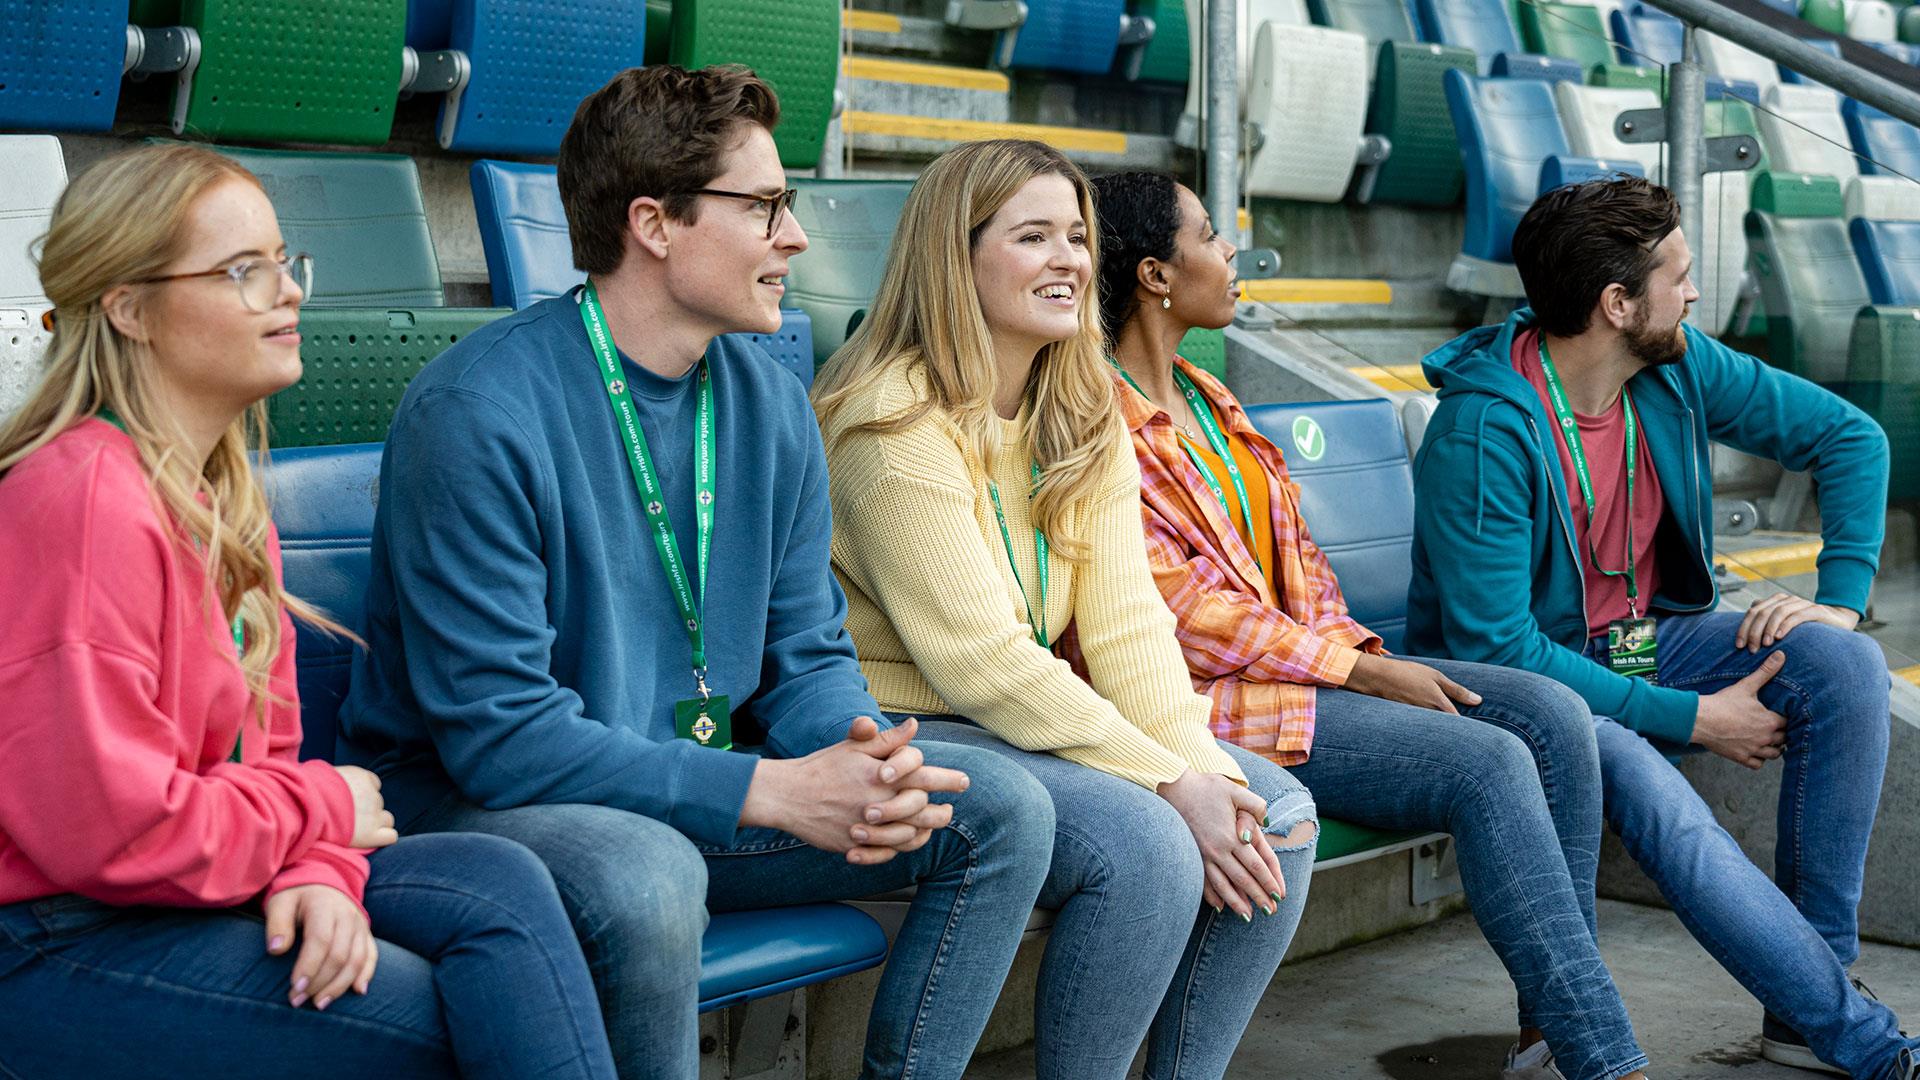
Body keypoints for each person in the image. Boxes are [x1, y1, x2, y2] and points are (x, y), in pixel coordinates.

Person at [336, 67, 1054, 1080]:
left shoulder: (768, 403)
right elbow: (501, 740)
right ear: (654, 223)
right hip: (477, 803)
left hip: (680, 785)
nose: (793, 237)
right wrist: (765, 789)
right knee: (648, 874)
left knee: (997, 811)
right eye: (762, 206)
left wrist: (866, 759)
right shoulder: (475, 411)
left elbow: (804, 654)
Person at [0, 143, 616, 1078]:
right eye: (243, 272)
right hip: (55, 935)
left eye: (286, 263)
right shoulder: (80, 500)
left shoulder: (226, 498)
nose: (288, 293)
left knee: (498, 883)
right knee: (464, 1020)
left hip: (188, 885)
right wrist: (323, 812)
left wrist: (315, 871)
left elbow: (269, 760)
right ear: (128, 307)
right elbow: (112, 829)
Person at [1087, 170, 1650, 1080]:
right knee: (1492, 758)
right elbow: (1175, 615)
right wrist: (1364, 672)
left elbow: (1303, 564)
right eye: (1210, 236)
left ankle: (1552, 1034)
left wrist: (1348, 653)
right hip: (1209, 703)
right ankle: (1605, 1061)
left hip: (1305, 674)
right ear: (1155, 273)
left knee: (1550, 714)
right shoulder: (1094, 417)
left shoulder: (1208, 398)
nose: (1232, 253)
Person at [810, 138, 1314, 1080]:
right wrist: (1170, 787)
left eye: (1077, 237)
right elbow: (982, 662)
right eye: (1032, 236)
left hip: (1013, 720)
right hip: (908, 722)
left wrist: (1204, 772)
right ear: (954, 260)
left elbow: (1130, 632)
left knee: (1273, 813)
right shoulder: (890, 420)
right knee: (1149, 848)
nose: (1069, 261)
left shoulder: (1075, 408)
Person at [1409, 175, 1916, 1080]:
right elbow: (1499, 651)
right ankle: (1865, 1042)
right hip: (1530, 691)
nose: (1693, 294)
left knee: (1844, 663)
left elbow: (1852, 439)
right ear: (1616, 303)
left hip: (1649, 641)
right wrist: (1696, 719)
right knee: (1655, 793)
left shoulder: (1676, 365)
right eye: (1677, 275)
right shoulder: (1480, 433)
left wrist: (1837, 599)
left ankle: (1810, 1000)